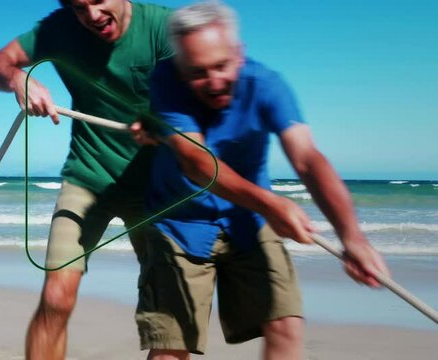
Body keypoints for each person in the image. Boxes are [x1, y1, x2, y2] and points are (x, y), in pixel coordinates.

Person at [135, 2, 390, 359]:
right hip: (180, 225)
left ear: (238, 54)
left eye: (222, 65)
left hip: (249, 221)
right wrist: (271, 204)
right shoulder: (166, 80)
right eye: (198, 72)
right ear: (181, 66)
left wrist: (352, 236)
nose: (213, 82)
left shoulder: (267, 85)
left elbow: (306, 158)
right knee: (171, 347)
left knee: (286, 324)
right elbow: (197, 162)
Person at [0, 1, 175, 358]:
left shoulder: (165, 26)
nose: (92, 15)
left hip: (158, 185)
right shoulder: (57, 29)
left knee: (169, 315)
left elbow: (203, 97)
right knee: (55, 298)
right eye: (78, 7)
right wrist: (17, 78)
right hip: (88, 176)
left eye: (99, 1)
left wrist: (168, 122)